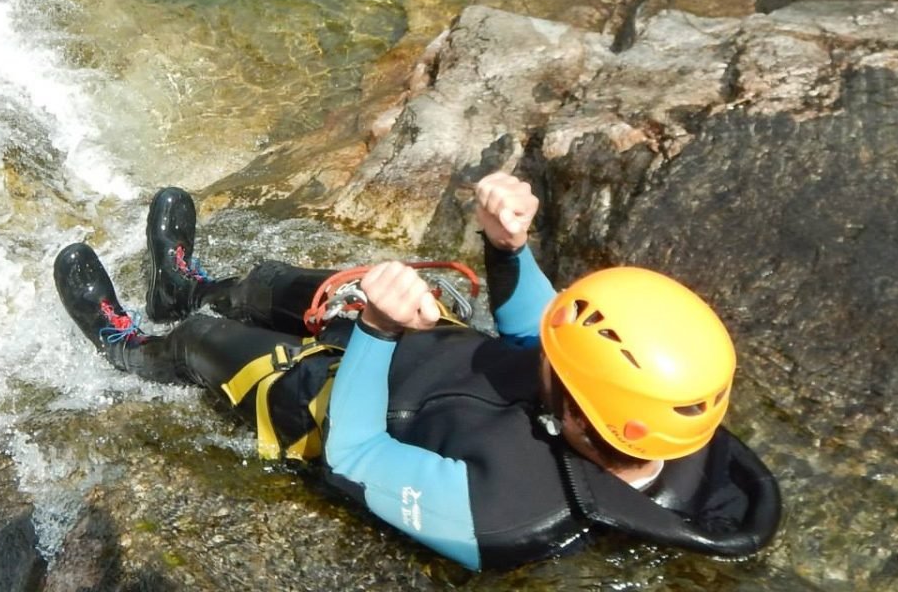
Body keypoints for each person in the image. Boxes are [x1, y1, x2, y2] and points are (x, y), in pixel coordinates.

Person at [52, 172, 780, 570]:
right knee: (279, 284)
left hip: (334, 408)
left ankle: (132, 344)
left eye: (559, 363)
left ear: (582, 416)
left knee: (206, 344)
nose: (545, 351)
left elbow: (358, 454)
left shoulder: (506, 515)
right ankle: (187, 287)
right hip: (423, 348)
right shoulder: (651, 418)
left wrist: (375, 329)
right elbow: (533, 332)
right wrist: (507, 247)